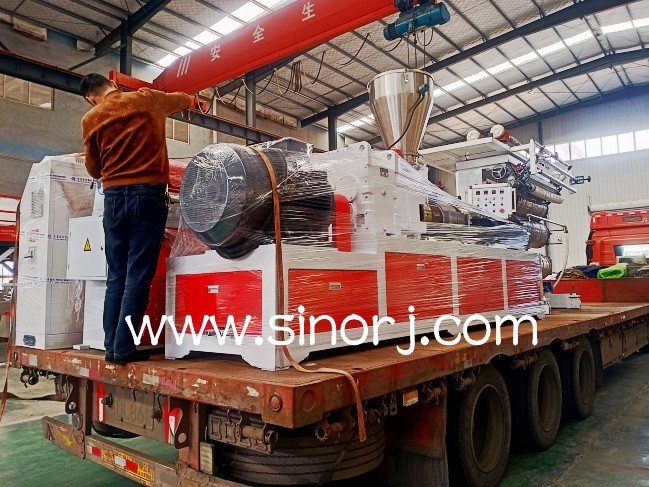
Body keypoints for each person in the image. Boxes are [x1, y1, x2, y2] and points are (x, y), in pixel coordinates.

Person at [80, 73, 192, 365]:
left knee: (116, 276)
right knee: (138, 275)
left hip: (114, 201)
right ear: (114, 85)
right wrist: (193, 101)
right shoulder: (147, 99)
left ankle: (112, 348)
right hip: (148, 197)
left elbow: (94, 170)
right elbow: (182, 100)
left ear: (91, 98)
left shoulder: (91, 119)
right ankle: (123, 348)